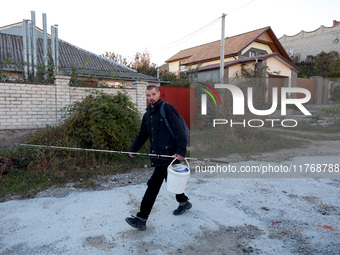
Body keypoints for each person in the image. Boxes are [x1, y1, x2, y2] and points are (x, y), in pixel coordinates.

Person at [125, 85, 192, 230]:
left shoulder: (167, 109)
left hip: (170, 155)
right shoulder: (147, 114)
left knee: (153, 185)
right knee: (171, 181)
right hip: (157, 155)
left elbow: (179, 131)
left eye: (153, 94)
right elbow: (142, 135)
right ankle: (184, 202)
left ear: (159, 94)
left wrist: (181, 151)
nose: (151, 98)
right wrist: (133, 149)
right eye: (148, 95)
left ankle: (141, 218)